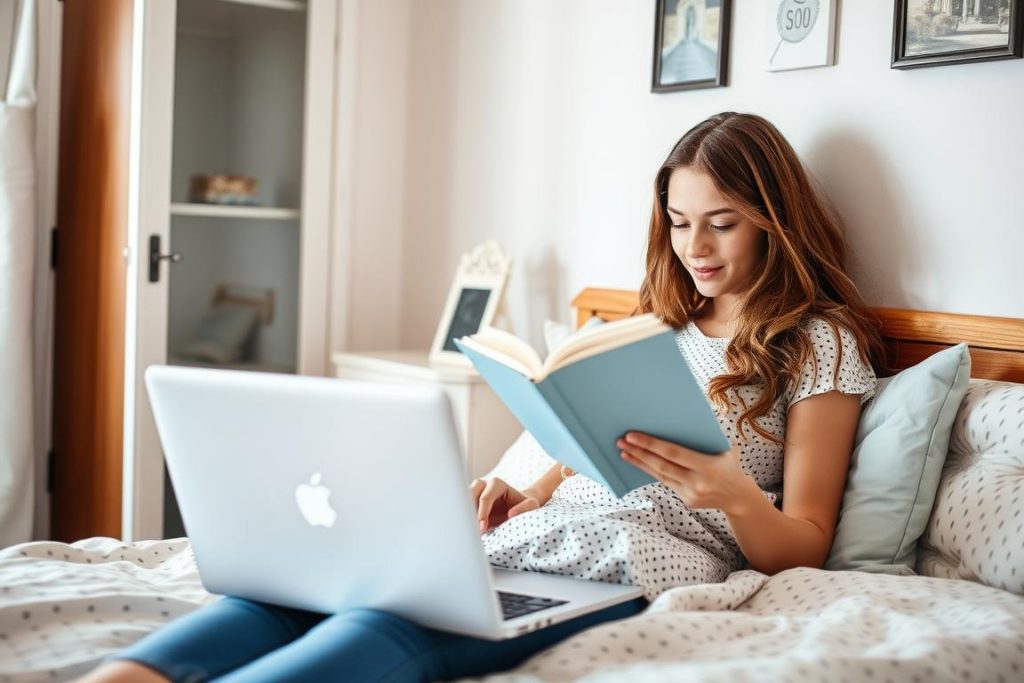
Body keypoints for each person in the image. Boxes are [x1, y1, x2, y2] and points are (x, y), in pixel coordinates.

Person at [80, 111, 881, 682]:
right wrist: (525, 489)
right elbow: (594, 457)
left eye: (722, 222)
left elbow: (805, 541)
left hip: (626, 565)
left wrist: (735, 495)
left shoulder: (818, 340)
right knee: (288, 599)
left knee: (384, 628)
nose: (694, 247)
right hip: (538, 539)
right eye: (677, 222)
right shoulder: (651, 324)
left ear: (774, 222)